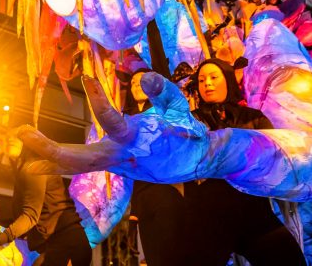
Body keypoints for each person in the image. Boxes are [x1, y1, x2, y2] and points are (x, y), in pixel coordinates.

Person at [184, 58, 306, 266]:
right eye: (202, 80)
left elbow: (274, 156)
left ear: (228, 81)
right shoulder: (190, 122)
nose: (207, 84)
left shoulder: (252, 118)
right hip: (207, 215)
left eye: (214, 77)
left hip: (252, 211)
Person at [0, 133, 91, 265]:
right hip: (59, 243)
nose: (10, 138)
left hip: (68, 243)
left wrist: (0, 239)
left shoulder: (33, 168)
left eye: (18, 136)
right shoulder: (25, 170)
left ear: (29, 142)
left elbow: (30, 216)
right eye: (8, 137)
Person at [127, 68, 189, 266]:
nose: (136, 84)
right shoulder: (128, 119)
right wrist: (134, 214)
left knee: (170, 257)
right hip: (144, 200)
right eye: (132, 83)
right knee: (153, 258)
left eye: (141, 81)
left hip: (166, 192)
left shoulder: (161, 112)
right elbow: (135, 170)